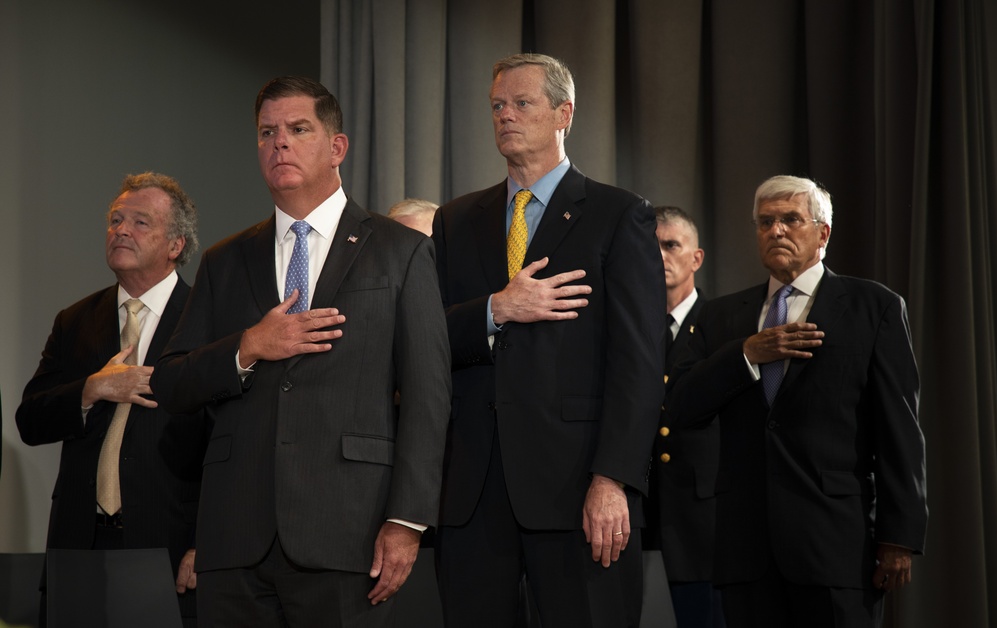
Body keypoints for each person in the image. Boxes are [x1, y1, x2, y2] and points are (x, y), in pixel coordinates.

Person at [150, 76, 451, 627]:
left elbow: (430, 396)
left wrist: (407, 521)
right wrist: (247, 347)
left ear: (336, 147)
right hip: (236, 537)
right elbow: (170, 382)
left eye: (297, 129)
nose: (278, 143)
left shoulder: (401, 250)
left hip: (350, 534)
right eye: (267, 132)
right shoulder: (225, 259)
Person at [431, 53, 665, 627]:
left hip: (577, 488)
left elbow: (638, 362)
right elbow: (426, 337)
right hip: (474, 494)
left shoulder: (618, 215)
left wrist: (613, 479)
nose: (504, 116)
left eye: (521, 103)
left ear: (565, 113)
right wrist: (495, 309)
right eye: (496, 106)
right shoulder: (456, 220)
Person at [666, 175, 927, 627]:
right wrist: (746, 354)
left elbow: (899, 430)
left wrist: (898, 536)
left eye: (790, 220)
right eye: (765, 222)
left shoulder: (873, 306)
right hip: (746, 551)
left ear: (823, 233)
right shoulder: (723, 316)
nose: (776, 231)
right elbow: (683, 406)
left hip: (836, 547)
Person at [16, 172, 207, 627]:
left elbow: (231, 445)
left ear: (176, 245)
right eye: (115, 220)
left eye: (140, 222)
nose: (121, 230)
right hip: (80, 544)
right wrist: (92, 389)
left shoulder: (207, 319)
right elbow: (30, 420)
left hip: (168, 549)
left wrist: (209, 543)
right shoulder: (76, 320)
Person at [646, 207, 725, 628]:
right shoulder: (629, 330)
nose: (660, 256)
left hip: (700, 523)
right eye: (651, 246)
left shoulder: (720, 326)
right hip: (638, 516)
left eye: (671, 245)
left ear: (696, 258)